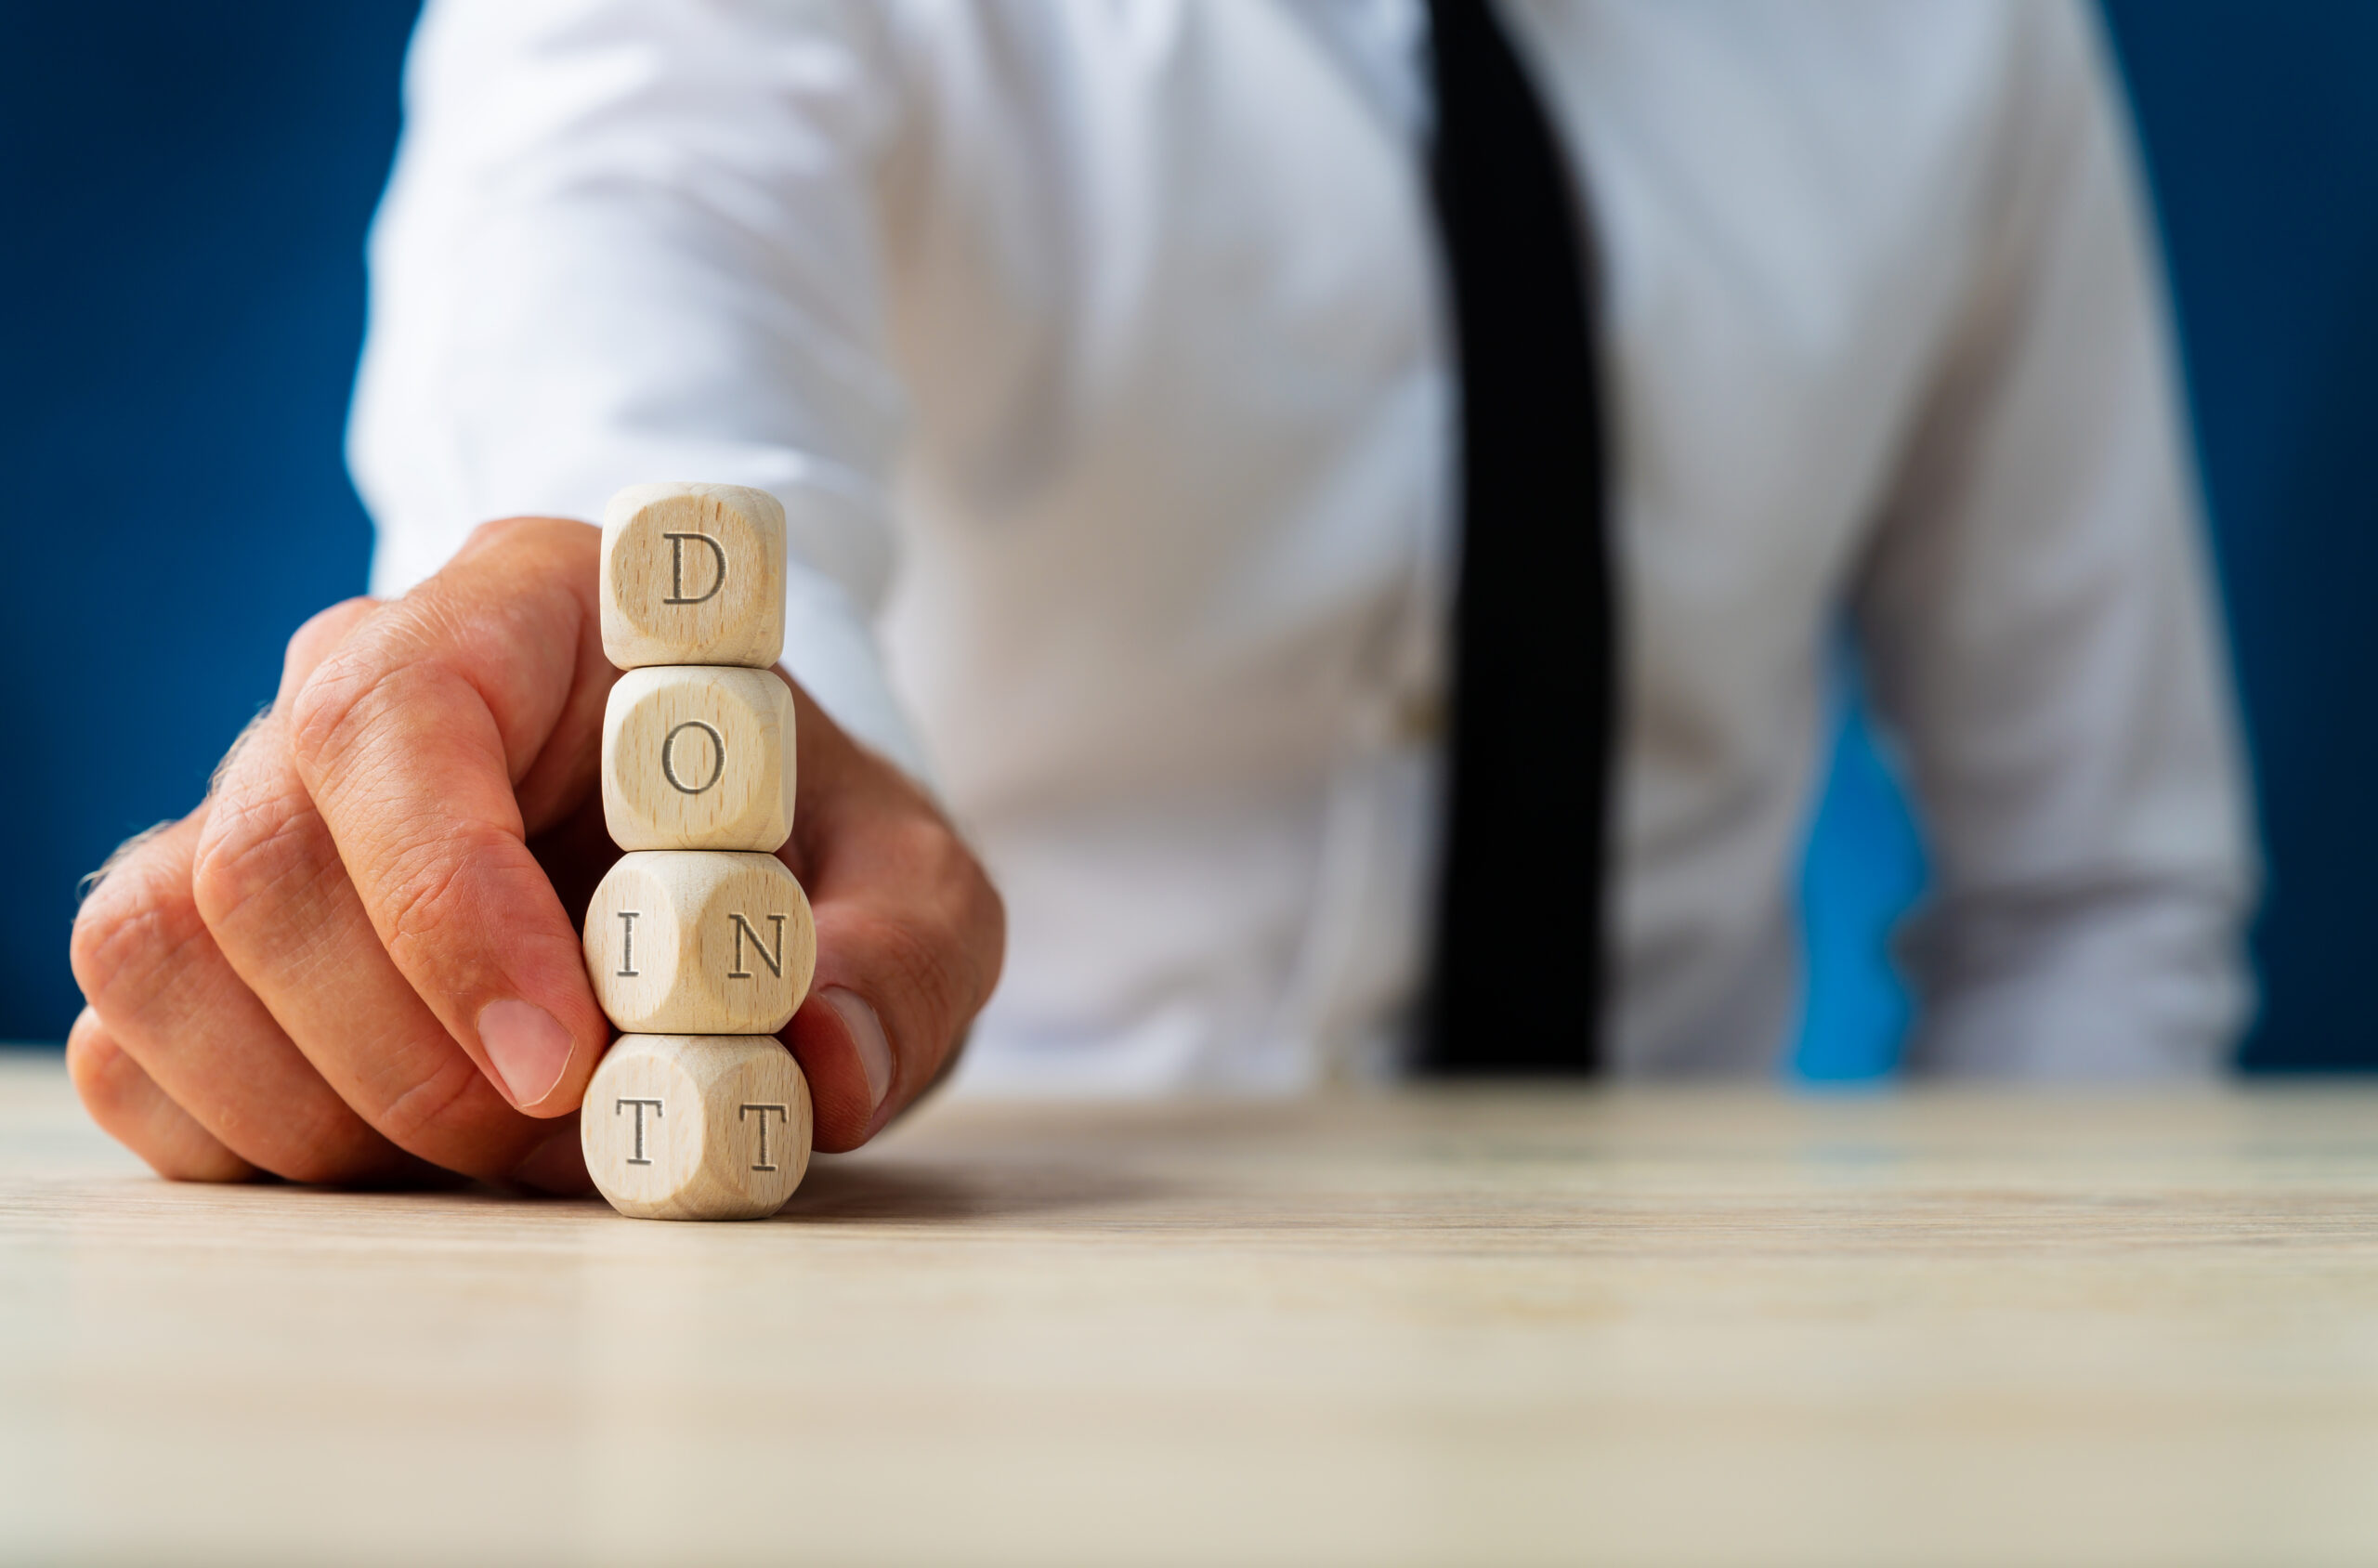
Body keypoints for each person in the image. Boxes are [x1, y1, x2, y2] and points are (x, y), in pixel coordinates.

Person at [67, 0, 2254, 1189]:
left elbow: (2093, 901)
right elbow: (620, 344)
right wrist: (669, 750)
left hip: (1686, 1358)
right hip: (930, 1283)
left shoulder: (1964, 43)